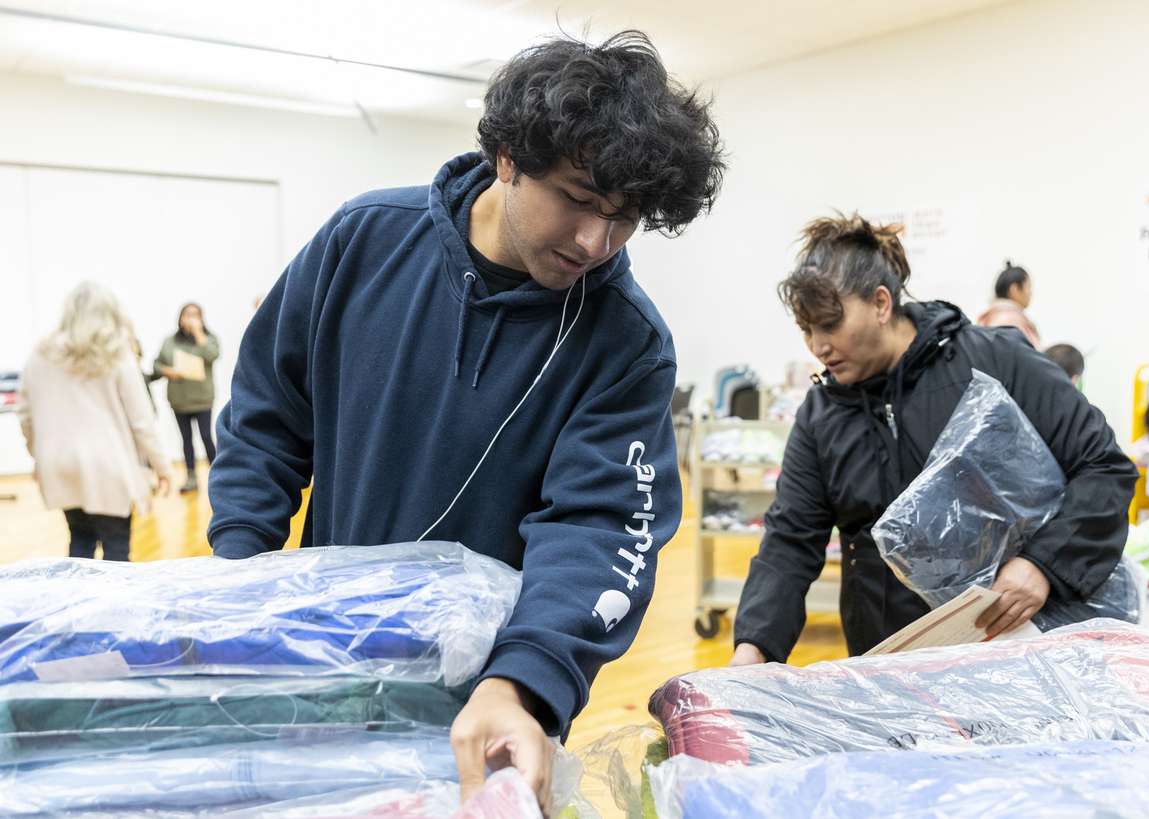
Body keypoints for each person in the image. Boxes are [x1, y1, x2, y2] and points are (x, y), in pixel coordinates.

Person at [206, 31, 723, 808]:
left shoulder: (627, 340)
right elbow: (268, 413)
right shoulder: (364, 240)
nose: (596, 240)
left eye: (626, 217)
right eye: (580, 200)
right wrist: (241, 572)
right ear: (507, 157)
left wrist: (523, 681)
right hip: (313, 660)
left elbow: (601, 527)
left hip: (489, 703)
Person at [730, 215, 1136, 667]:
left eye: (829, 325)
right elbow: (790, 540)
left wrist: (1044, 564)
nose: (818, 346)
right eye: (807, 330)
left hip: (1020, 649)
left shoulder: (994, 361)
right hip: (889, 665)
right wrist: (753, 649)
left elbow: (1103, 466)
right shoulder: (822, 414)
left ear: (881, 303)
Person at [18, 282, 172, 561]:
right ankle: (114, 606)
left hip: (60, 463)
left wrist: (39, 454)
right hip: (108, 465)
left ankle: (79, 603)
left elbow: (26, 416)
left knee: (79, 540)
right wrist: (162, 466)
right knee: (115, 547)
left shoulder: (38, 356)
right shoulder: (117, 354)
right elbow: (142, 420)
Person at [153, 303, 220, 493]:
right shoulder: (170, 342)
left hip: (202, 399)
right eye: (187, 315)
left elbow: (213, 354)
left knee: (207, 436)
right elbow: (157, 365)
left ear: (201, 318)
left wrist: (199, 333)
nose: (190, 318)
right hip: (179, 401)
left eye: (195, 315)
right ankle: (191, 478)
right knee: (186, 439)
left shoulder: (208, 339)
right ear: (180, 318)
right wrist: (168, 371)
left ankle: (218, 476)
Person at [977, 260, 1041, 348]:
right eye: (1028, 287)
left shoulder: (990, 318)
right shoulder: (1009, 321)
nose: (1030, 293)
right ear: (1014, 289)